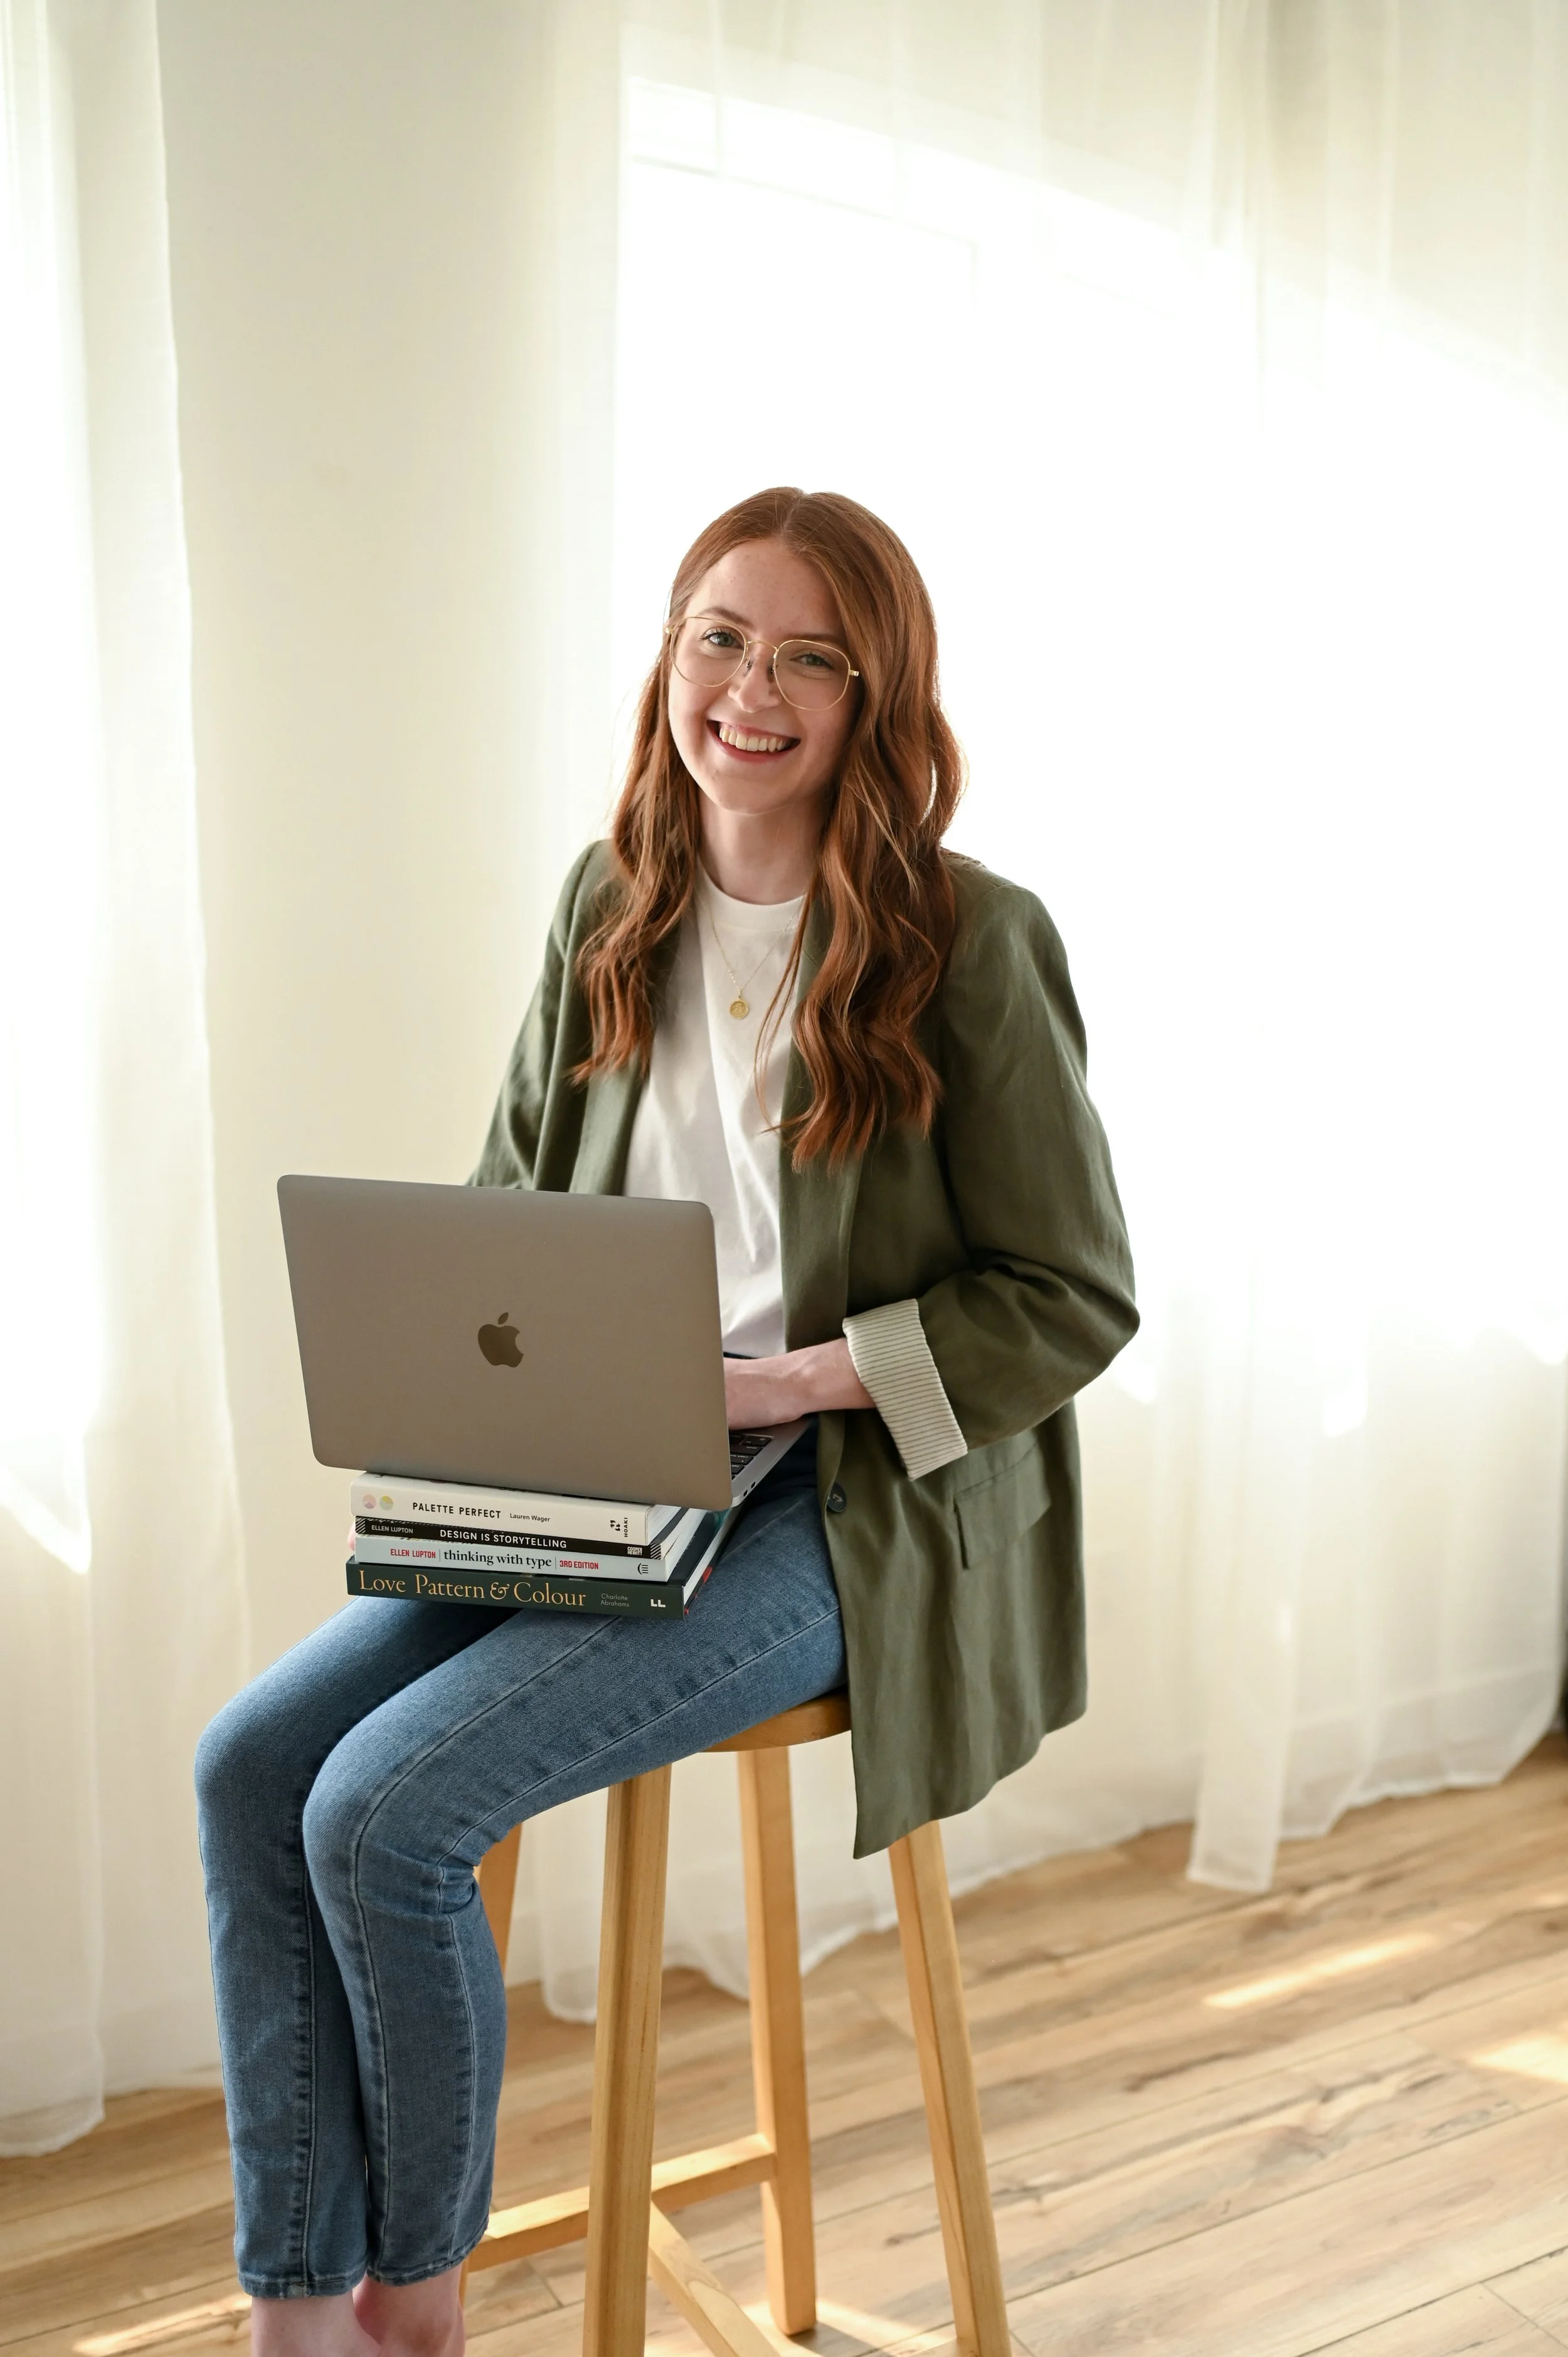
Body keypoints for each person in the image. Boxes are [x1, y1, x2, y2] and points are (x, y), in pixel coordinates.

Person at [195, 486, 1137, 2357]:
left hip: (838, 1496)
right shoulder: (609, 898)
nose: (750, 689)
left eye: (808, 655)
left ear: (880, 697)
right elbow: (512, 1195)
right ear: (671, 654)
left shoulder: (973, 942)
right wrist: (473, 1382)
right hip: (599, 1462)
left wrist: (785, 1379)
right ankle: (294, 2309)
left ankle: (420, 2295)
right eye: (719, 635)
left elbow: (1072, 1293)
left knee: (385, 1813)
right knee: (250, 1766)